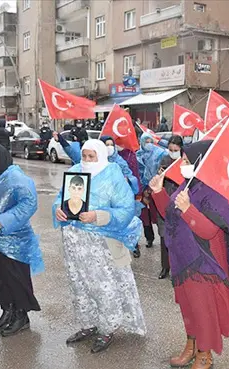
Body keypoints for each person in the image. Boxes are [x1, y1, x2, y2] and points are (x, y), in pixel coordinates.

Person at [150, 140, 229, 369]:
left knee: (203, 311)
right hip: (182, 261)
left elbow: (210, 230)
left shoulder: (212, 193)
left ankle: (205, 353)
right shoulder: (187, 186)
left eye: (186, 160)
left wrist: (188, 209)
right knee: (188, 307)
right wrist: (158, 193)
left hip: (202, 265)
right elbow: (170, 214)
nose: (181, 164)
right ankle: (191, 345)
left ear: (200, 163)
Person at [53, 139, 146, 353]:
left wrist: (98, 215)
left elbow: (126, 209)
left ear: (100, 156)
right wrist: (58, 208)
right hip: (74, 239)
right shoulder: (76, 172)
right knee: (79, 284)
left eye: (91, 156)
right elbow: (61, 197)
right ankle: (88, 324)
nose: (86, 160)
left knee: (103, 285)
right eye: (84, 155)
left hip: (101, 242)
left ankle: (108, 328)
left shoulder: (113, 175)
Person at [0, 144, 44, 336]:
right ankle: (7, 310)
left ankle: (21, 316)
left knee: (16, 278)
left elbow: (29, 203)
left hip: (13, 240)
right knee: (0, 278)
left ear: (1, 158)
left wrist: (4, 220)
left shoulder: (17, 178)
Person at [136, 132, 168, 252]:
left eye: (150, 141)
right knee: (144, 215)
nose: (148, 144)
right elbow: (137, 172)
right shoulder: (138, 155)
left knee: (158, 213)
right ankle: (149, 238)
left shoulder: (160, 153)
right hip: (143, 189)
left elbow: (164, 168)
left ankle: (163, 238)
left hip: (156, 187)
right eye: (146, 142)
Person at [156, 135, 182, 279]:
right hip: (164, 202)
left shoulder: (185, 160)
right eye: (170, 149)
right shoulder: (164, 159)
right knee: (164, 236)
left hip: (179, 202)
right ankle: (165, 267)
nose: (172, 152)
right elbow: (156, 178)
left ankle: (178, 268)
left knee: (178, 238)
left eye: (175, 150)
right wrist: (160, 175)